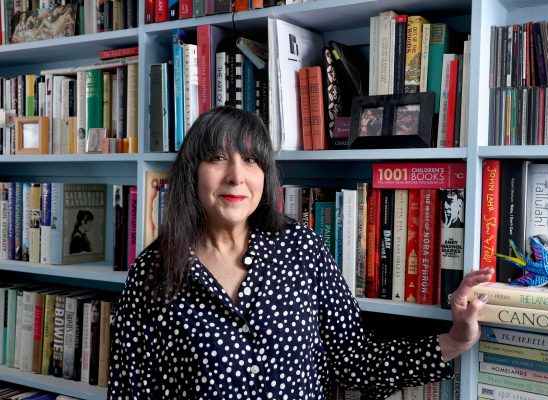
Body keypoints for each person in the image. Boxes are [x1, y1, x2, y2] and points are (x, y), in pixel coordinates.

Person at [108, 107, 492, 399]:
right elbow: (130, 389)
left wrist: (455, 340)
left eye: (251, 160)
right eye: (218, 158)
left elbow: (355, 362)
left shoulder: (303, 250)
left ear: (266, 175)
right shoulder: (153, 272)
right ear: (193, 170)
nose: (236, 177)